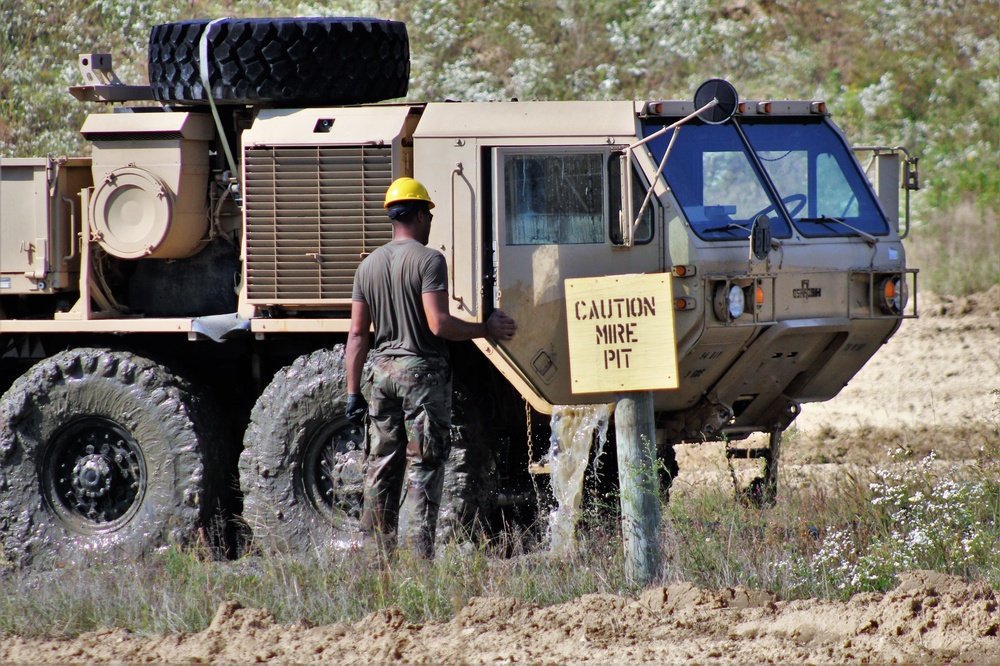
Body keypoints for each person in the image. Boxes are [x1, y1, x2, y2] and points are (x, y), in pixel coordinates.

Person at [345, 177, 517, 560]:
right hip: (420, 375)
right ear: (420, 215)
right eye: (429, 215)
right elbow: (439, 324)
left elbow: (357, 335)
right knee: (424, 465)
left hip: (380, 376)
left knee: (380, 467)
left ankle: (375, 559)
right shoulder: (429, 260)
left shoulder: (367, 266)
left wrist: (353, 392)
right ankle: (419, 560)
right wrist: (484, 329)